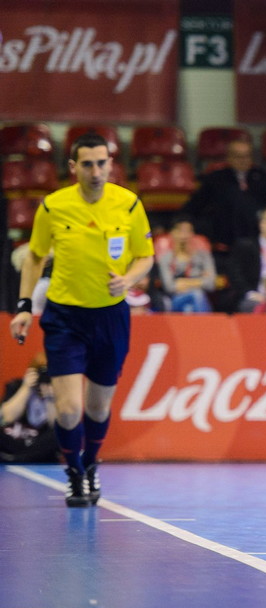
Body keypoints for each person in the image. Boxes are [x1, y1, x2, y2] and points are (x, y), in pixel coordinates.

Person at [9, 132, 155, 506]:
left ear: (111, 164)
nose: (95, 171)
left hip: (111, 317)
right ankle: (74, 472)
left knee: (97, 407)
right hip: (65, 317)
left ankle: (91, 464)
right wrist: (25, 307)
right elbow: (35, 256)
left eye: (102, 163)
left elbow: (146, 256)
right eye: (87, 164)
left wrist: (129, 278)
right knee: (70, 409)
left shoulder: (128, 204)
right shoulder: (53, 206)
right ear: (73, 167)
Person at [181, 138, 266, 261]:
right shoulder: (215, 178)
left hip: (256, 239)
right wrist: (182, 220)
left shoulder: (263, 177)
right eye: (238, 156)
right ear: (229, 158)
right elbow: (194, 205)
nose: (243, 160)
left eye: (246, 156)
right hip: (225, 238)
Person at [1, 352, 60, 464]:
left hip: (38, 445)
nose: (45, 378)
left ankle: (20, 458)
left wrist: (50, 398)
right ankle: (16, 456)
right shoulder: (16, 386)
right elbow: (5, 418)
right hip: (13, 440)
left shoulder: (59, 394)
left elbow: (55, 426)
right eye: (42, 373)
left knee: (61, 433)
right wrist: (25, 388)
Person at [156, 216, 217, 313]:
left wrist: (182, 282)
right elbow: (169, 286)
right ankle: (206, 325)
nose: (184, 236)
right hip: (175, 300)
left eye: (188, 231)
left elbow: (211, 283)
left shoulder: (203, 256)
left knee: (188, 308)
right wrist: (199, 281)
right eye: (180, 231)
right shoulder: (166, 258)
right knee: (196, 294)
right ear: (172, 233)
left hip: (200, 300)